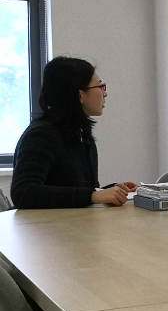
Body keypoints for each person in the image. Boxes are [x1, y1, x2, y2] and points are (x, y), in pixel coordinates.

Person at [11, 57, 136, 208]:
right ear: (80, 95)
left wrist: (112, 191)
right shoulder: (42, 135)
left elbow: (77, 194)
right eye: (100, 86)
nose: (105, 93)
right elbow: (23, 192)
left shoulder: (81, 135)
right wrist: (93, 195)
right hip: (44, 223)